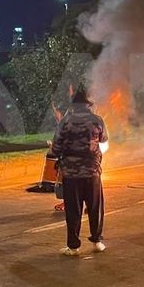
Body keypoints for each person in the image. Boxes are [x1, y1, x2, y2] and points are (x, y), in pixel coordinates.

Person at [47, 88, 108, 256]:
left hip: (71, 174)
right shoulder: (97, 120)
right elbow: (104, 139)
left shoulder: (65, 122)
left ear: (73, 105)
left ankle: (73, 246)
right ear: (88, 105)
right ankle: (97, 241)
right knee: (95, 207)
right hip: (93, 172)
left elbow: (56, 148)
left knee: (73, 210)